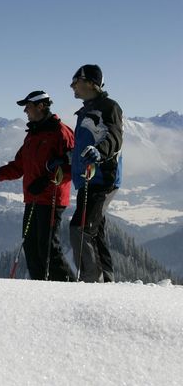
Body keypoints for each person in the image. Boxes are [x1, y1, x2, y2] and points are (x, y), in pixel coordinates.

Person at [0, 91, 75, 281]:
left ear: (41, 106)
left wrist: (47, 180)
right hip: (33, 198)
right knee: (31, 247)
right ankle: (39, 288)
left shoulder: (60, 133)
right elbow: (19, 165)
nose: (25, 110)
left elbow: (72, 165)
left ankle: (70, 288)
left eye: (28, 106)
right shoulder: (32, 135)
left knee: (48, 249)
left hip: (51, 199)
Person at [69, 64, 123, 283]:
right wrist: (65, 159)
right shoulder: (85, 111)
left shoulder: (109, 108)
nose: (72, 85)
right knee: (94, 233)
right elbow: (83, 145)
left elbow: (114, 137)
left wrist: (99, 152)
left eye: (76, 81)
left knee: (80, 229)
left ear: (91, 83)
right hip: (87, 180)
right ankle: (106, 283)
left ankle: (93, 285)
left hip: (102, 180)